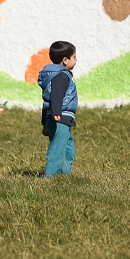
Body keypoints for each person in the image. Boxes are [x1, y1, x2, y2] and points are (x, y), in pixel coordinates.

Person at [36, 41, 78, 178]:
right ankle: (50, 176)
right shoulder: (61, 76)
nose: (76, 60)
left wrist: (45, 122)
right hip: (60, 116)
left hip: (55, 116)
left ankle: (64, 174)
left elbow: (46, 102)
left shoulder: (56, 75)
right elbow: (56, 95)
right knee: (58, 147)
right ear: (65, 60)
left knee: (68, 145)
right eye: (74, 57)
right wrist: (57, 113)